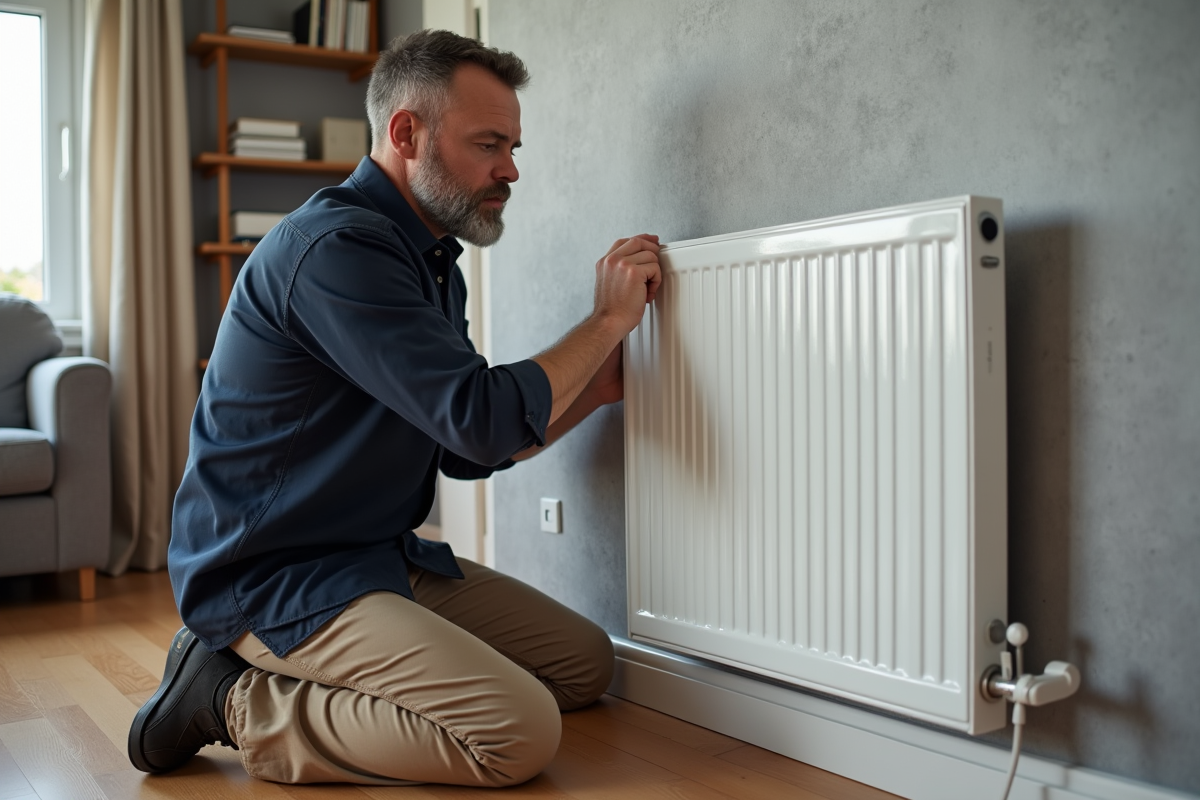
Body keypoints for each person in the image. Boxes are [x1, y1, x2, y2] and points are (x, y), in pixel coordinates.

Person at [127, 29, 661, 788]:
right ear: (406, 133)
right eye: (489, 145)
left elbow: (467, 451)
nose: (510, 170)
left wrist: (597, 391)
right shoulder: (337, 248)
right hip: (273, 574)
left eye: (514, 146)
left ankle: (331, 665)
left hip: (373, 555)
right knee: (516, 734)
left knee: (582, 666)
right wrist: (604, 323)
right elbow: (480, 417)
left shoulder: (432, 260)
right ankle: (228, 696)